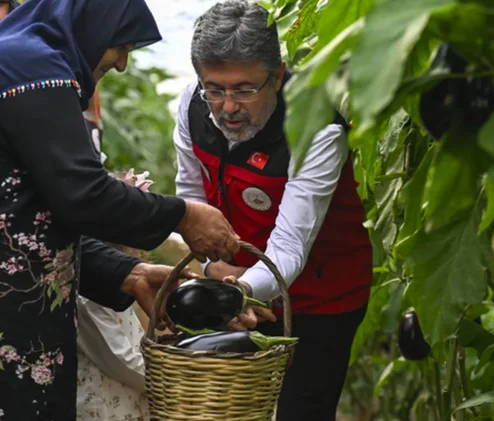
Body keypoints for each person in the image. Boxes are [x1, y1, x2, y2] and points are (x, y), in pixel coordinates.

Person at [0, 0, 240, 420]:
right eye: (120, 46)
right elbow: (84, 194)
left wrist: (130, 273)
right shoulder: (31, 68)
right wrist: (183, 215)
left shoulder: (18, 60)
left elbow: (19, 214)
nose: (124, 64)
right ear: (93, 24)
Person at [173, 1, 373, 420]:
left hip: (322, 296)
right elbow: (191, 203)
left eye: (245, 90)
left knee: (302, 408)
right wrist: (216, 271)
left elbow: (289, 247)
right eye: (215, 88)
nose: (228, 106)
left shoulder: (316, 128)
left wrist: (232, 292)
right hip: (237, 284)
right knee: (228, 409)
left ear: (278, 76)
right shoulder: (192, 106)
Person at [76, 89, 153, 421]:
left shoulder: (120, 280)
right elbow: (119, 360)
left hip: (124, 403)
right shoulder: (91, 293)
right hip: (103, 409)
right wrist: (175, 373)